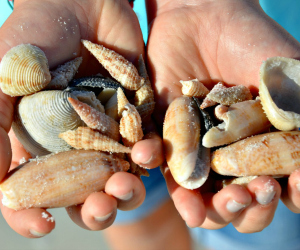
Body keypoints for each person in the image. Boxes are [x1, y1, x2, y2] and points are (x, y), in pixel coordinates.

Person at [1, 0, 300, 250]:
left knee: (258, 227)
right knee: (141, 224)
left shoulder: (132, 101)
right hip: (130, 124)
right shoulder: (119, 107)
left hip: (188, 75)